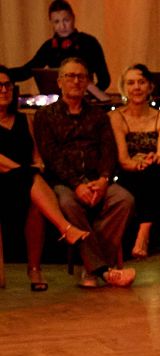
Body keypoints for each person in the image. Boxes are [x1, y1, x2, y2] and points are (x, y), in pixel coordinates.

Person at [33, 58, 136, 288]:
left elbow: (108, 151)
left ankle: (91, 269)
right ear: (59, 81)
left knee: (124, 199)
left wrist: (103, 179)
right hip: (63, 183)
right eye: (70, 76)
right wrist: (77, 184)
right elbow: (52, 157)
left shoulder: (99, 115)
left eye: (81, 76)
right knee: (68, 204)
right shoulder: (45, 116)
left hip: (97, 180)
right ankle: (103, 270)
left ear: (88, 82)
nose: (76, 81)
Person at [0, 65, 89, 291]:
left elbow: (37, 155)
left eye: (7, 85)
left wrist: (36, 166)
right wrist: (25, 170)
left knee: (36, 201)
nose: (4, 90)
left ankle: (35, 269)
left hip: (26, 183)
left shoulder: (24, 120)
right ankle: (66, 229)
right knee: (32, 179)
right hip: (3, 183)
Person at [110, 64, 160, 283]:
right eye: (131, 83)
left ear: (150, 86)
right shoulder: (115, 117)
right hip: (127, 177)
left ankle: (144, 230)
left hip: (155, 172)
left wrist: (151, 160)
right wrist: (139, 163)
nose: (136, 87)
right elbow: (123, 160)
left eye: (141, 82)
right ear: (123, 88)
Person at [9, 0, 111, 94]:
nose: (62, 26)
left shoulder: (89, 42)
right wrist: (4, 72)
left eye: (66, 20)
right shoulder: (49, 47)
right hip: (58, 101)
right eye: (57, 22)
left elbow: (104, 80)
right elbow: (26, 71)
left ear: (73, 18)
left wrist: (89, 96)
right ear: (51, 23)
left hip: (84, 99)